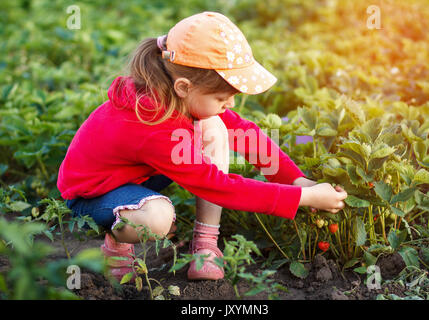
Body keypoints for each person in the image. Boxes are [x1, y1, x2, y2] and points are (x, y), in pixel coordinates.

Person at [57, 12, 347, 282]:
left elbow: (245, 134)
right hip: (92, 195)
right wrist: (302, 197)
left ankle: (205, 246)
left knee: (215, 127)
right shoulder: (153, 127)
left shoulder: (176, 96)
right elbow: (219, 186)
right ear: (184, 87)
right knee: (157, 219)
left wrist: (297, 180)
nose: (230, 104)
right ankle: (118, 241)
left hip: (134, 176)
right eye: (223, 97)